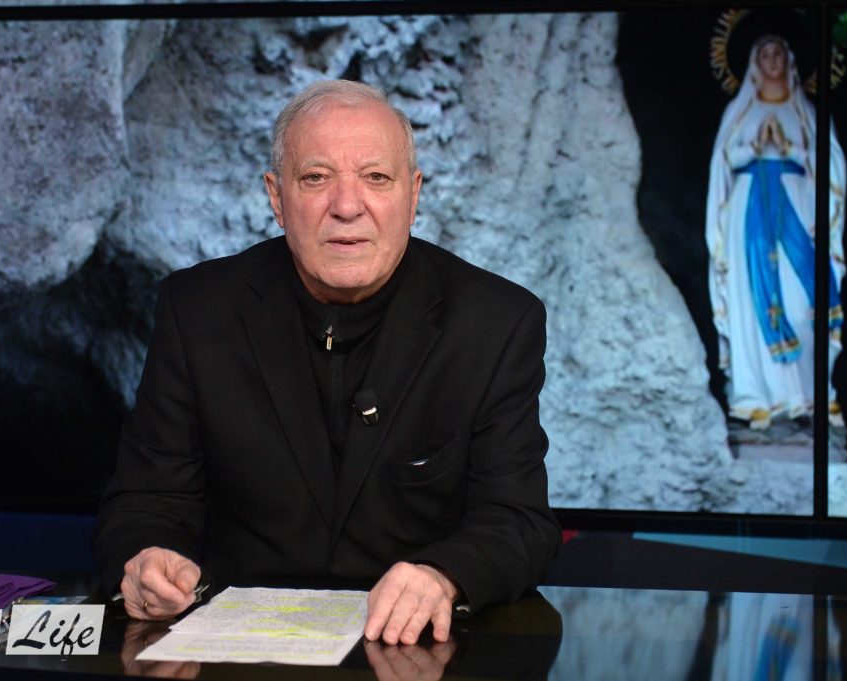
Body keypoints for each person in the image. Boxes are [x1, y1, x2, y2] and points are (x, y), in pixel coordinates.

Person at [92, 79, 561, 647]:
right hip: (237, 650)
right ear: (276, 198)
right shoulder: (195, 311)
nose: (346, 206)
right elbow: (146, 500)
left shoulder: (496, 322)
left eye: (376, 178)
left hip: (416, 648)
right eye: (315, 178)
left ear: (413, 196)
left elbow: (519, 521)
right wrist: (147, 558)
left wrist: (445, 576)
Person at [705, 36, 846, 430]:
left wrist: (789, 149)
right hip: (748, 213)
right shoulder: (740, 111)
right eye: (764, 54)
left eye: (778, 53)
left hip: (797, 209)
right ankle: (757, 398)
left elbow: (831, 164)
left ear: (790, 60)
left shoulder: (807, 112)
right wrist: (754, 147)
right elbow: (723, 161)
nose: (772, 60)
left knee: (803, 306)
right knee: (751, 304)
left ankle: (810, 396)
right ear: (753, 62)